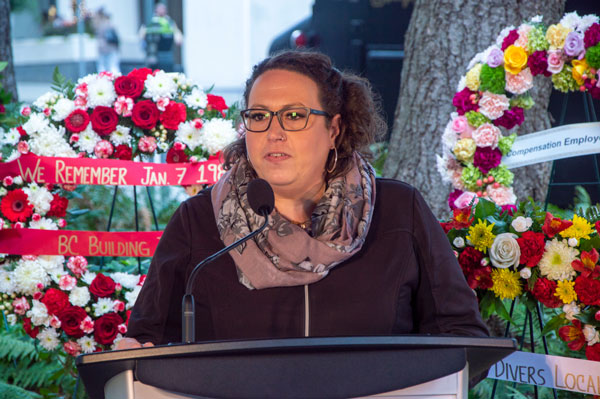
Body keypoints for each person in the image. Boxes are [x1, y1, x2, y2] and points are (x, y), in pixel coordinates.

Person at [120, 50, 488, 350]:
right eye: (259, 116)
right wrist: (135, 352)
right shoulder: (196, 221)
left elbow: (461, 335)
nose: (274, 133)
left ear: (334, 129)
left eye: (294, 116)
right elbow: (147, 341)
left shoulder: (398, 210)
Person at [139, 3, 183, 72]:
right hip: (154, 56)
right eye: (159, 9)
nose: (161, 11)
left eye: (162, 9)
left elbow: (179, 39)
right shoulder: (151, 22)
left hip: (167, 55)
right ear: (156, 10)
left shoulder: (169, 23)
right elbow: (142, 36)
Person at [93, 8, 120, 74]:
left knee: (103, 68)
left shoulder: (99, 25)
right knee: (113, 67)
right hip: (112, 48)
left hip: (103, 49)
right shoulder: (111, 25)